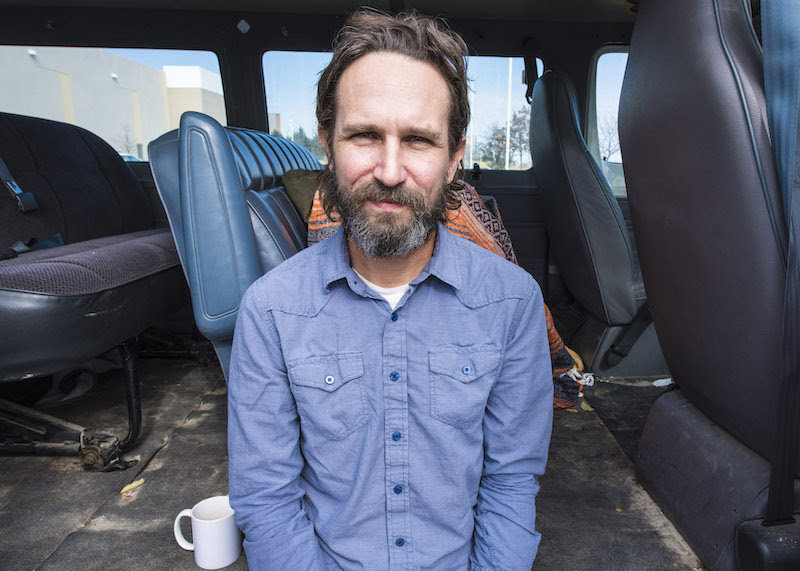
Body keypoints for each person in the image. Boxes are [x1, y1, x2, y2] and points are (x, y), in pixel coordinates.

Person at [227, 9, 553, 570]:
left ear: (454, 158)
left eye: (419, 140)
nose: (390, 170)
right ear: (328, 144)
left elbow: (511, 482)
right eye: (364, 135)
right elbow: (266, 498)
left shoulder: (513, 302)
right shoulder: (270, 310)